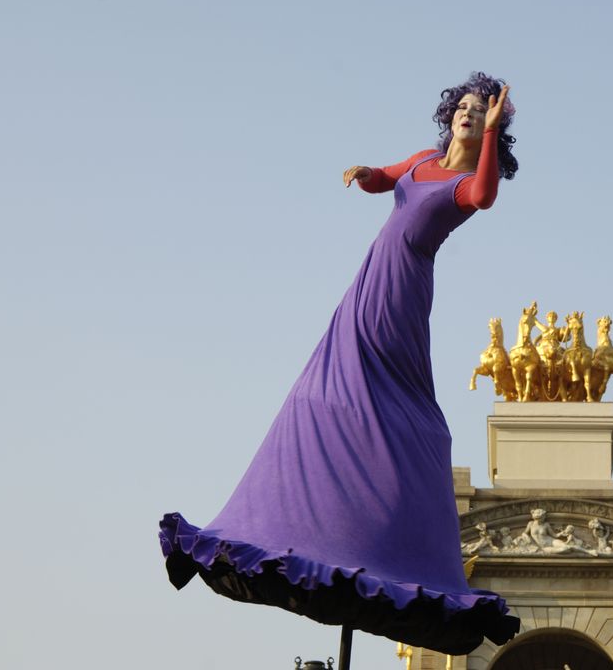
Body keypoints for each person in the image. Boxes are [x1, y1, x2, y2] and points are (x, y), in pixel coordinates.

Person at [159, 73, 519, 655]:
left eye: (482, 111)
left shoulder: (464, 180)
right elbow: (387, 179)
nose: (469, 114)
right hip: (368, 283)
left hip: (402, 291)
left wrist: (496, 137)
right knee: (326, 387)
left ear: (490, 127)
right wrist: (365, 175)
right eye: (466, 106)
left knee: (392, 399)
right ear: (452, 113)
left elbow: (482, 197)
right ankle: (318, 500)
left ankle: (387, 499)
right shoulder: (426, 159)